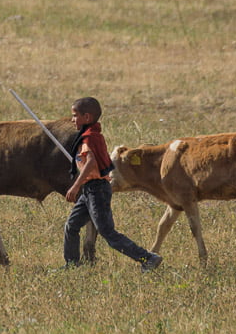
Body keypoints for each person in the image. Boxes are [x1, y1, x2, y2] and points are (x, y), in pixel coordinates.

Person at [63, 96, 162, 270]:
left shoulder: (89, 138)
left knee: (108, 233)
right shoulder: (90, 135)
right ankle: (72, 264)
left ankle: (148, 258)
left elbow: (92, 163)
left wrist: (75, 185)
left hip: (96, 191)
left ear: (87, 117)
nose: (72, 119)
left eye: (75, 115)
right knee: (71, 226)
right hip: (89, 190)